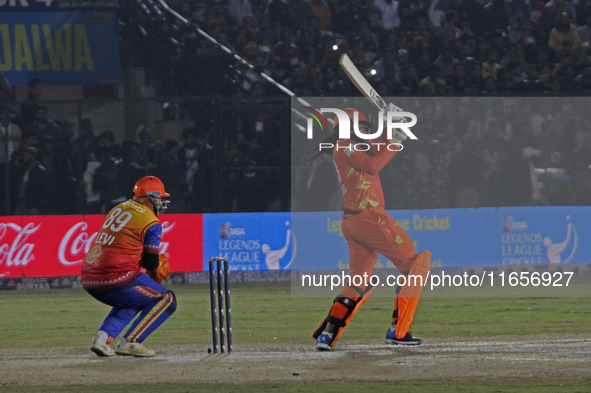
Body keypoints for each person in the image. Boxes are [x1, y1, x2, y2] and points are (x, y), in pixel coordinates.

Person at [312, 108, 431, 350]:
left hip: (354, 221)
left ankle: (328, 333)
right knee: (415, 263)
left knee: (358, 281)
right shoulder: (346, 145)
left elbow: (378, 149)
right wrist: (395, 139)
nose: (367, 131)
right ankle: (399, 331)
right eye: (363, 127)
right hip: (369, 217)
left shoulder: (350, 146)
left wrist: (391, 128)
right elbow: (374, 165)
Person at [81, 176, 176, 357]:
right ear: (150, 197)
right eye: (159, 198)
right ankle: (131, 341)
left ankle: (102, 339)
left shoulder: (119, 208)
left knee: (132, 301)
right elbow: (150, 263)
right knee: (167, 299)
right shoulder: (150, 220)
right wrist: (155, 267)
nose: (162, 202)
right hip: (115, 276)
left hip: (89, 275)